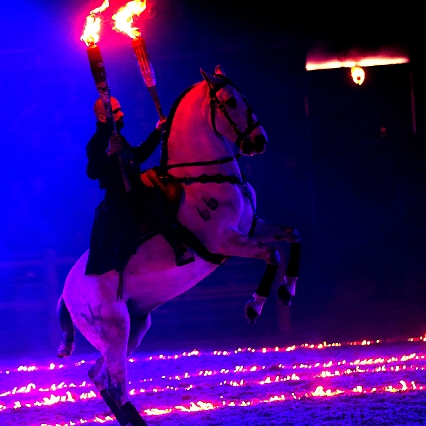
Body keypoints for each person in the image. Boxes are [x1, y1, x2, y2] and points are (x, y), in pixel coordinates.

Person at [85, 96, 195, 276]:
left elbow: (137, 155)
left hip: (136, 188)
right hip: (118, 195)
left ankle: (179, 246)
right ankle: (123, 270)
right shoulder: (97, 142)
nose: (122, 114)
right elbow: (91, 171)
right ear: (103, 118)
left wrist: (157, 132)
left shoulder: (119, 137)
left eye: (120, 109)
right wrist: (108, 153)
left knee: (158, 198)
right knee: (138, 215)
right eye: (116, 111)